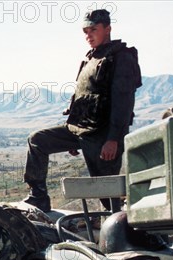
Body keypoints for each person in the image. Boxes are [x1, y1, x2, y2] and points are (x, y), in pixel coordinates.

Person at [23, 9, 142, 212]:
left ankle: (127, 230)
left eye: (93, 29)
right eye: (85, 31)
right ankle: (39, 196)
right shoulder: (91, 59)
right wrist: (73, 129)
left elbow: (123, 102)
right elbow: (81, 98)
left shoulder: (121, 58)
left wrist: (113, 139)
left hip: (102, 137)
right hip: (80, 130)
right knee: (37, 140)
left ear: (108, 29)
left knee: (108, 196)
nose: (88, 35)